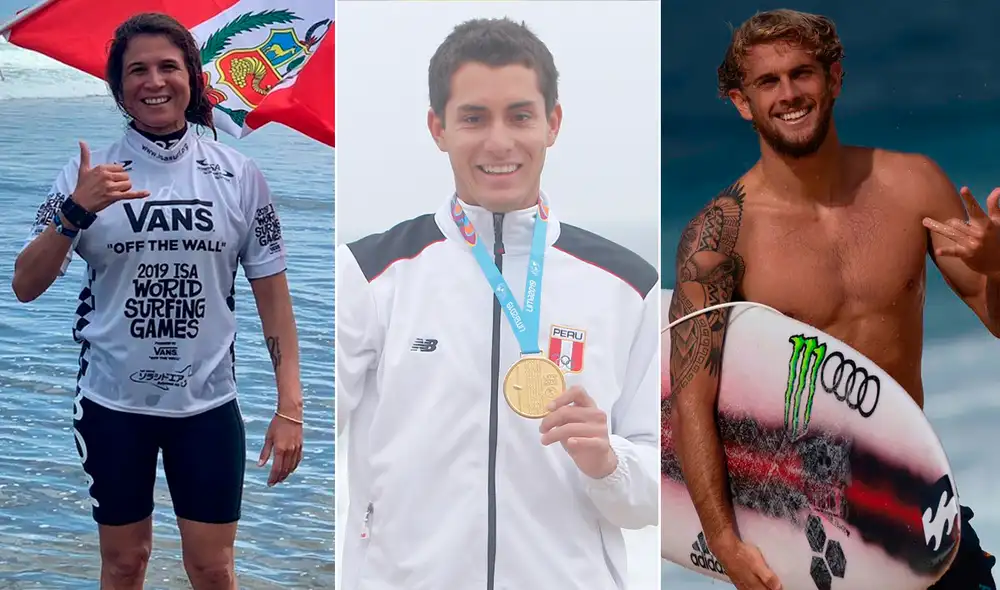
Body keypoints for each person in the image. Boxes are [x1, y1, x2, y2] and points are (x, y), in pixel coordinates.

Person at [666, 8, 999, 590]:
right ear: (741, 102)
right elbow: (689, 404)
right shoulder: (721, 235)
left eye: (803, 73)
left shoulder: (913, 186)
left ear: (835, 78)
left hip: (912, 513)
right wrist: (724, 541)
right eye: (768, 82)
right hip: (799, 533)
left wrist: (995, 266)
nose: (789, 94)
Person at [335, 17, 659, 590]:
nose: (499, 142)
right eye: (473, 118)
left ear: (552, 123)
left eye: (520, 115)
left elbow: (660, 496)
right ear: (438, 128)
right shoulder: (369, 274)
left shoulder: (627, 287)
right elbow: (310, 427)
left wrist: (608, 462)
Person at [11, 13, 304, 590]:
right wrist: (77, 210)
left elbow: (274, 300)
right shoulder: (86, 173)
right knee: (125, 562)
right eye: (136, 70)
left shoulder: (239, 175)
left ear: (192, 78)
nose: (154, 81)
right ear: (118, 87)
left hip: (207, 407)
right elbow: (25, 284)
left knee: (213, 567)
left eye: (168, 66)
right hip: (113, 403)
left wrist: (290, 407)